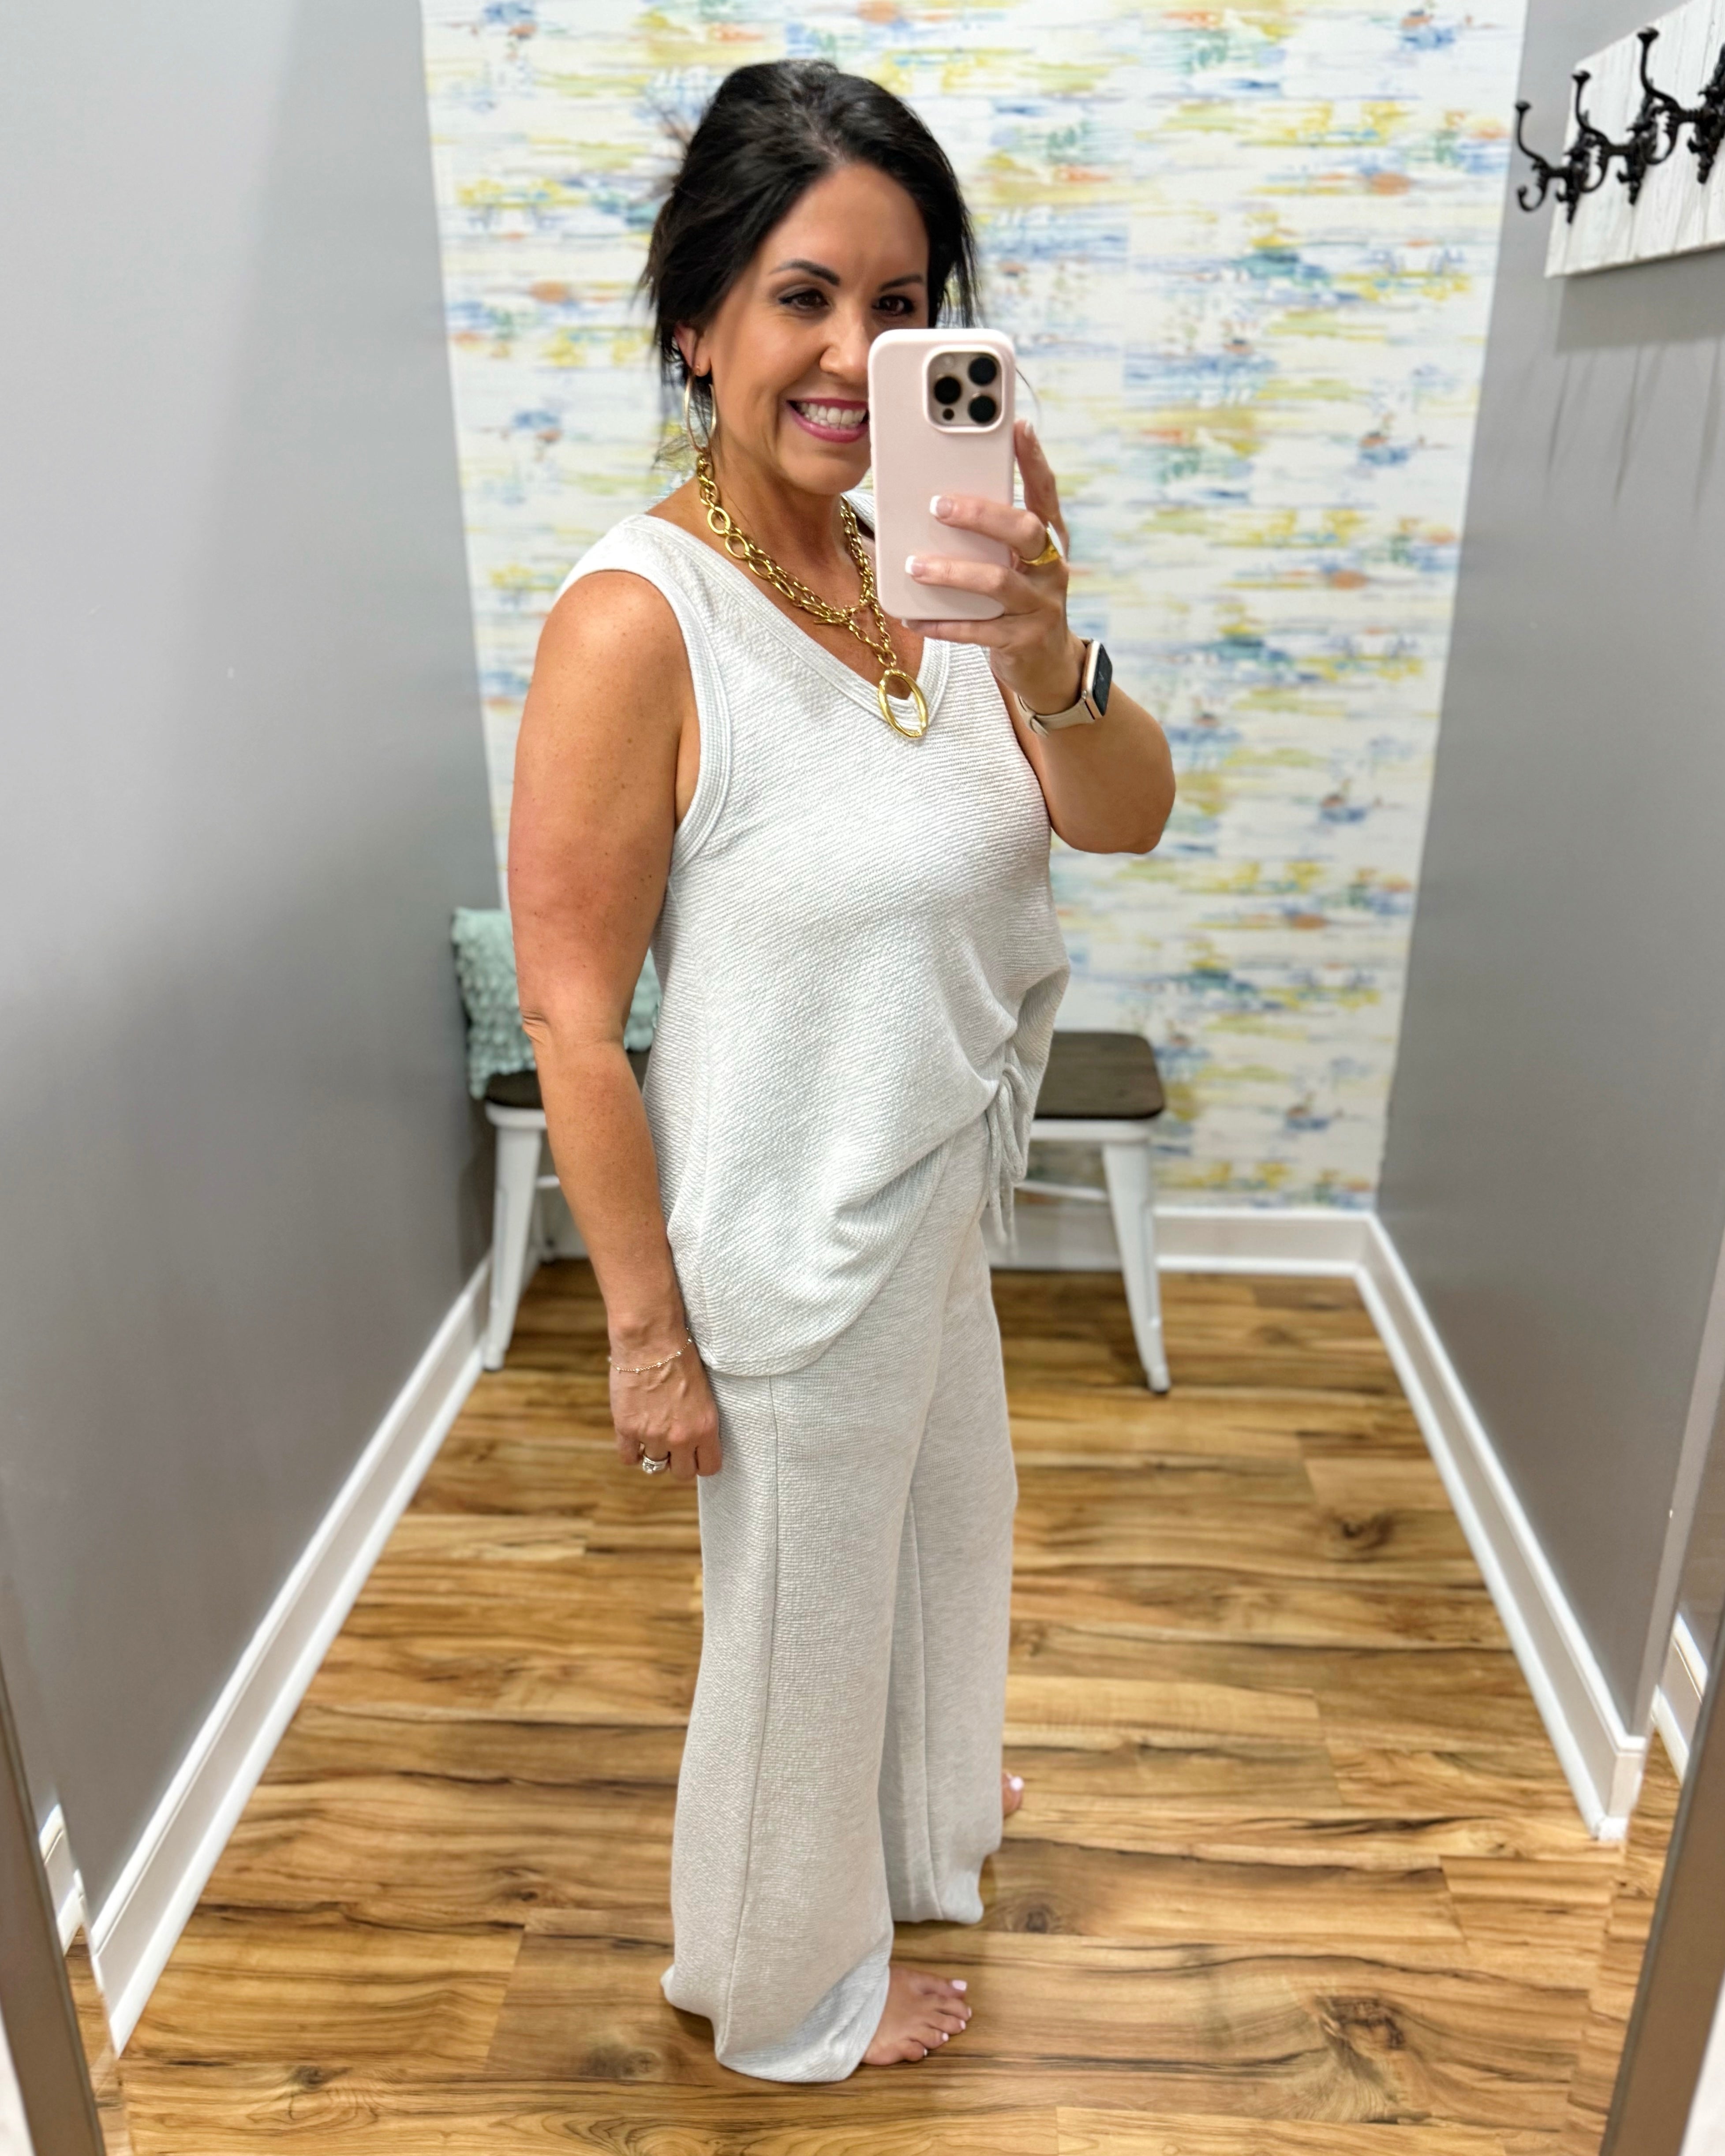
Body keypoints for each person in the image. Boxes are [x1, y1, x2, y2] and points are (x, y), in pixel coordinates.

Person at [509, 57, 1175, 2084]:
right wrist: (647, 1333)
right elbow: (569, 1007)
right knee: (793, 1643)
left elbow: (1121, 813)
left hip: (932, 1192)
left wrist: (1053, 644)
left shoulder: (944, 555)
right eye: (805, 296)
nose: (851, 353)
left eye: (902, 308)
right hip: (787, 1242)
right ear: (698, 318)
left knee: (941, 1536)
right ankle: (783, 1982)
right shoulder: (645, 622)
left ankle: (913, 1829)